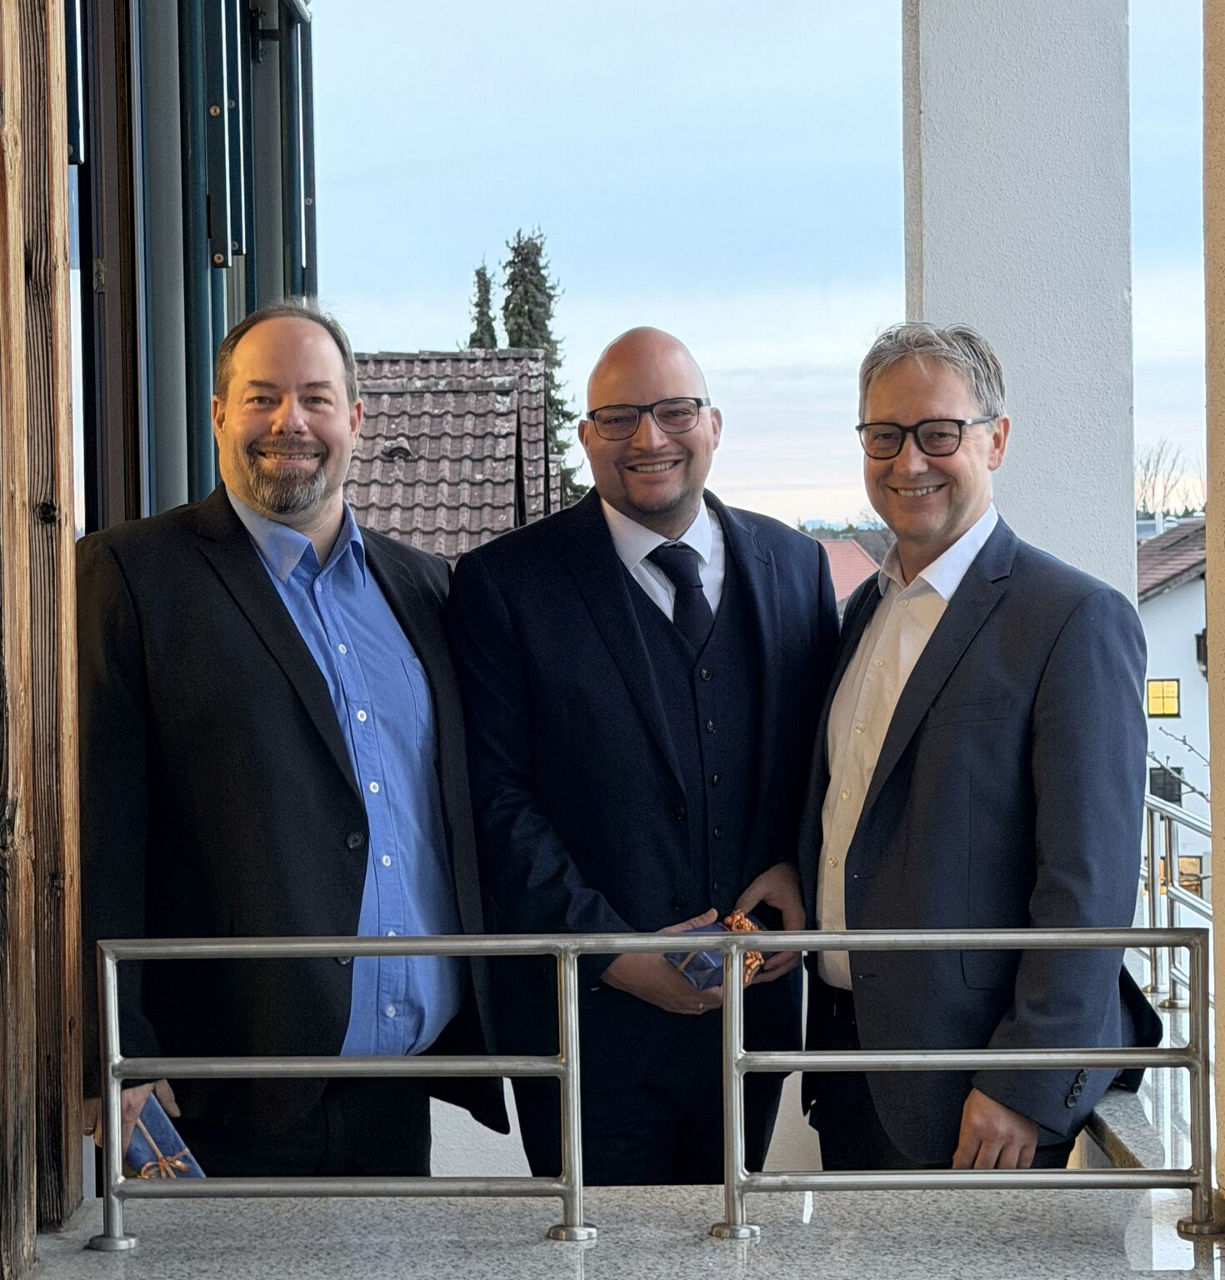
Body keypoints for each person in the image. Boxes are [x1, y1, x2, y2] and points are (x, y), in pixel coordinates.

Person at [79, 300, 507, 1176]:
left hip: (403, 1085)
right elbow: (96, 829)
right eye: (261, 396)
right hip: (221, 1084)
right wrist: (112, 1042)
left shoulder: (425, 587)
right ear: (218, 416)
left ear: (355, 419)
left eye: (315, 398)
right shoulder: (127, 575)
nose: (289, 423)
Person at [447, 326, 839, 1184]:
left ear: (714, 423)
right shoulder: (504, 585)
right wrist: (610, 952)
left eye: (673, 412)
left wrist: (798, 868)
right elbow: (494, 800)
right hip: (586, 1024)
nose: (648, 439)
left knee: (727, 1243)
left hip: (754, 1010)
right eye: (618, 418)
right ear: (585, 436)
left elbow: (827, 764)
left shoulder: (796, 565)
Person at [799, 321, 1161, 1171]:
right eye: (883, 435)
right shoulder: (866, 612)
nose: (907, 461)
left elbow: (1089, 884)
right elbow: (858, 810)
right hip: (847, 1066)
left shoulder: (1071, 618)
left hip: (976, 1094)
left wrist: (1023, 1081)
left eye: (937, 433)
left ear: (994, 440)